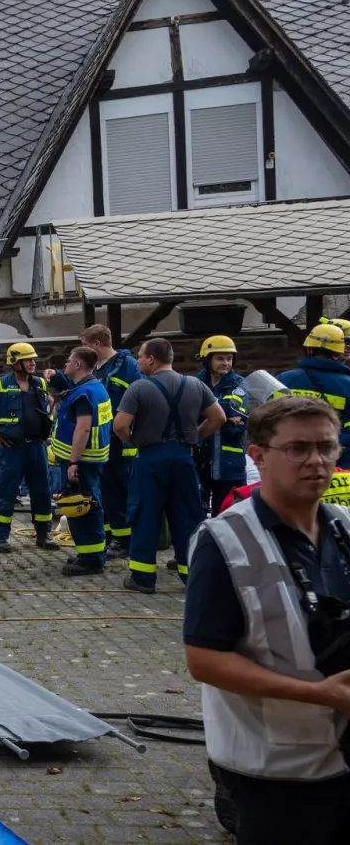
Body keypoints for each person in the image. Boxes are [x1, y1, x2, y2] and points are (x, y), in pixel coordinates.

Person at [183, 397, 350, 843]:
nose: (316, 460)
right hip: (275, 772)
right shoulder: (225, 540)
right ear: (257, 455)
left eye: (327, 447)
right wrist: (317, 693)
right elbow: (204, 660)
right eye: (297, 448)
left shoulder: (344, 528)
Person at [112, 337, 228, 594]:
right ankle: (192, 576)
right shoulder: (196, 385)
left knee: (145, 516)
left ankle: (143, 578)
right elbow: (218, 417)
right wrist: (195, 436)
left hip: (150, 459)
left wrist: (136, 440)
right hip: (184, 459)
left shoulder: (139, 388)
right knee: (187, 517)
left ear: (151, 360)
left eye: (141, 356)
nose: (139, 361)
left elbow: (119, 425)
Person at [0, 343, 56, 554]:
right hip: (12, 449)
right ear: (15, 363)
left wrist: (48, 422)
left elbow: (51, 402)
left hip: (36, 447)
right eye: (28, 360)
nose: (33, 363)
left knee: (42, 492)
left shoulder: (40, 384)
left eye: (33, 359)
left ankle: (44, 534)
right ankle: (0, 537)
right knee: (6, 491)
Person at [75, 324, 142, 558]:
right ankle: (107, 536)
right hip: (101, 440)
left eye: (84, 344)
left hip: (120, 441)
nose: (82, 349)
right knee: (103, 490)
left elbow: (138, 401)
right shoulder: (97, 368)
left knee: (118, 491)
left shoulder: (128, 367)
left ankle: (123, 541)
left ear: (96, 344)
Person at [49, 347, 113, 576]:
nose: (65, 365)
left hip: (83, 461)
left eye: (68, 361)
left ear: (77, 365)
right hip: (92, 459)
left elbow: (83, 429)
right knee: (87, 506)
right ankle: (89, 553)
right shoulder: (95, 388)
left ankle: (92, 559)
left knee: (83, 507)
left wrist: (73, 462)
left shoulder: (84, 394)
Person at [278, 324, 350, 471]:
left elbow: (271, 418)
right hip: (337, 461)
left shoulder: (284, 379)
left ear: (309, 349)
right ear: (338, 353)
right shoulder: (347, 384)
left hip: (291, 458)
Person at [197, 335, 249, 516]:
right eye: (220, 358)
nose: (226, 363)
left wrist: (206, 412)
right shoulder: (196, 383)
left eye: (229, 358)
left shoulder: (238, 384)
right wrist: (220, 416)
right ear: (207, 359)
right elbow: (190, 411)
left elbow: (233, 412)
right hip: (202, 462)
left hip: (229, 465)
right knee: (197, 513)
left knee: (227, 515)